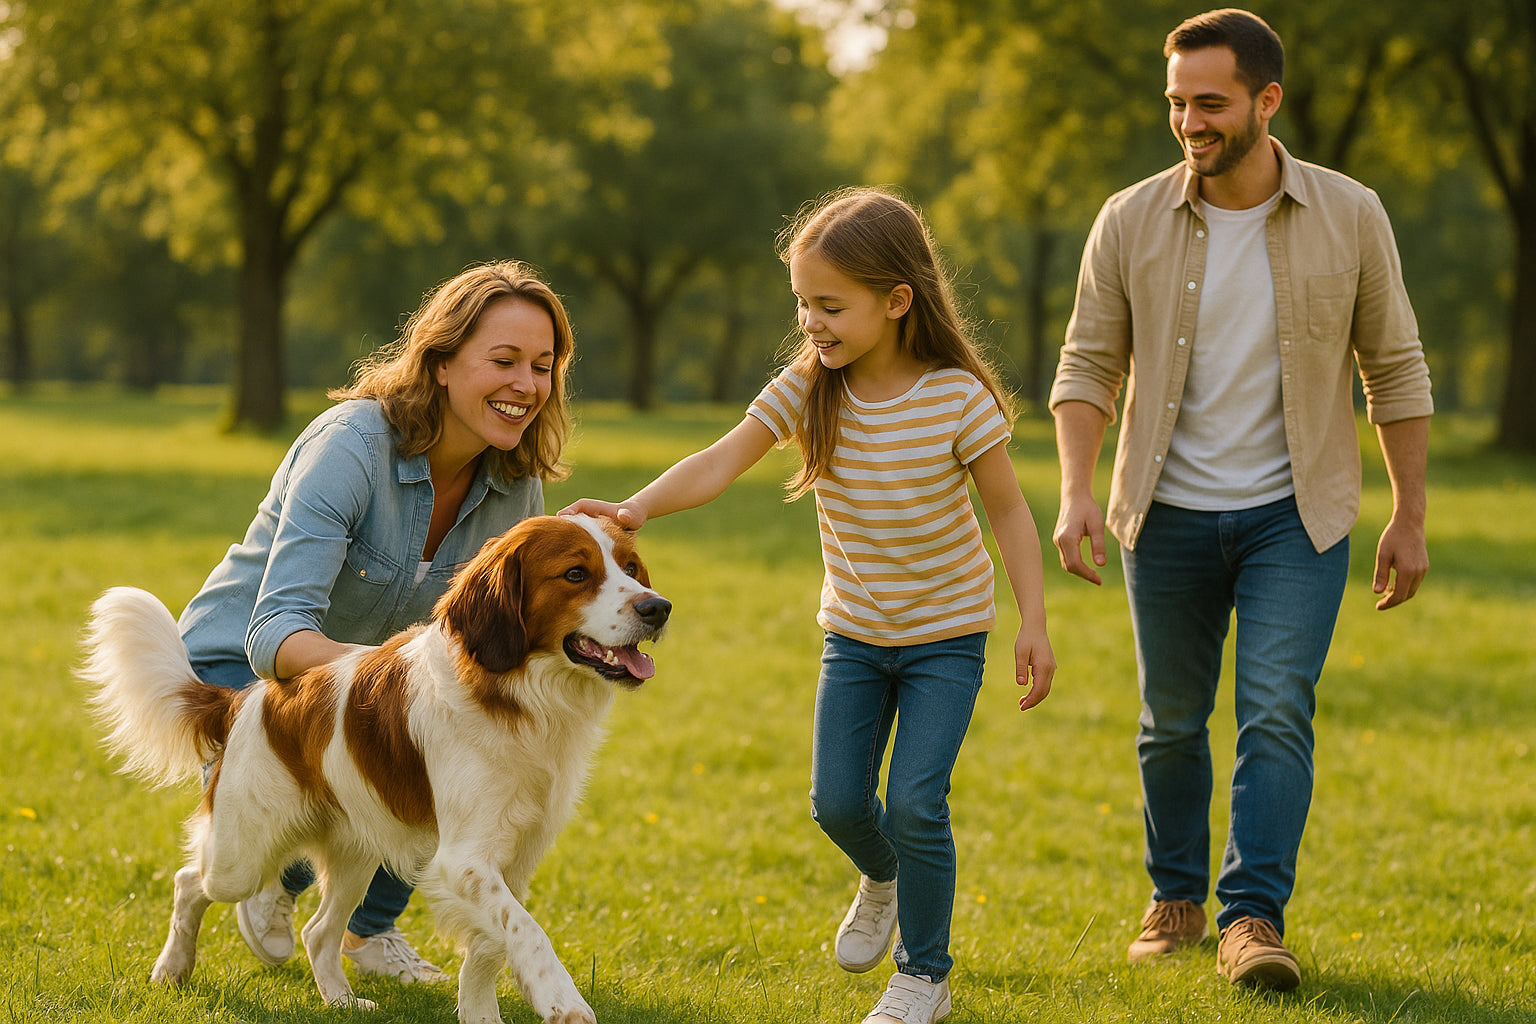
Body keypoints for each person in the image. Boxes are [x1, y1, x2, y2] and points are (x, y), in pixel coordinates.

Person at [562, 187, 1055, 1024]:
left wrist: (1032, 621)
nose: (812, 324)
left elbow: (1008, 509)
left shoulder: (957, 399)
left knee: (917, 801)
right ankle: (885, 874)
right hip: (855, 638)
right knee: (836, 804)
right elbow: (722, 459)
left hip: (946, 637)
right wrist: (635, 509)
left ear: (897, 301)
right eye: (802, 305)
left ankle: (923, 978)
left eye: (831, 306)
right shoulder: (810, 386)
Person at [1049, 8, 1433, 991]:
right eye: (1177, 102)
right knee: (1170, 719)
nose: (1189, 121)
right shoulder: (1128, 218)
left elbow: (1395, 368)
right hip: (1162, 513)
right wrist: (1077, 492)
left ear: (1268, 100)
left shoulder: (1351, 213)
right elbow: (1089, 363)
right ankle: (1174, 896)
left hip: (1294, 517)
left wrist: (1411, 512)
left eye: (1210, 102)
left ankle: (1252, 918)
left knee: (1274, 710)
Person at [175, 260, 575, 983]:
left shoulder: (518, 484)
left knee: (454, 744)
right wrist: (403, 687)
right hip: (242, 664)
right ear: (443, 362)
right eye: (504, 360)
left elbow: (495, 648)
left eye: (543, 367)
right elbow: (276, 636)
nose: (526, 385)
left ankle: (369, 930)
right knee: (384, 746)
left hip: (373, 681)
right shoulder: (351, 446)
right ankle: (277, 876)